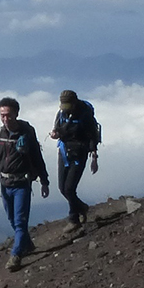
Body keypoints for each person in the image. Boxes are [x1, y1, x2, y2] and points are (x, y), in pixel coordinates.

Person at [0, 97, 50, 272]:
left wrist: (44, 180)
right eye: (2, 115)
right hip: (4, 184)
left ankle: (16, 255)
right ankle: (27, 244)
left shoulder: (26, 134)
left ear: (16, 114)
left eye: (8, 115)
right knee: (12, 219)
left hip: (21, 184)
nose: (5, 119)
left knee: (19, 222)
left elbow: (37, 157)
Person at [50, 89, 100, 234]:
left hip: (79, 154)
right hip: (64, 152)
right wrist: (55, 134)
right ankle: (82, 208)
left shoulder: (85, 115)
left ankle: (74, 220)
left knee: (69, 188)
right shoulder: (61, 113)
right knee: (62, 188)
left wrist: (94, 157)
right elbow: (58, 129)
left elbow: (92, 136)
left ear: (74, 102)